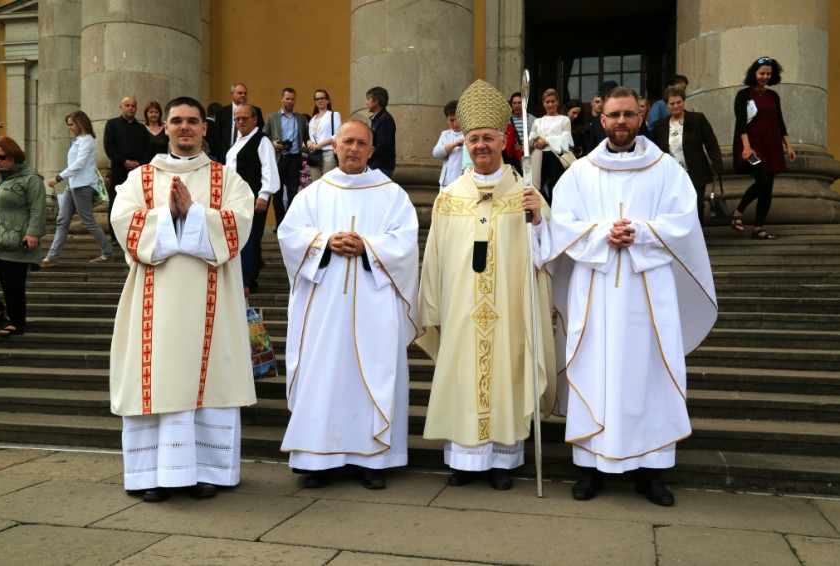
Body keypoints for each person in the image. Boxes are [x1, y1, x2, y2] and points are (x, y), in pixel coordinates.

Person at [539, 86, 717, 506]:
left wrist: (641, 232)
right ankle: (589, 469)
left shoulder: (666, 170)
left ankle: (651, 473)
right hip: (595, 291)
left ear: (641, 117)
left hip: (649, 291)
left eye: (629, 114)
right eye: (614, 115)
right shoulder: (579, 173)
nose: (621, 121)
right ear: (601, 120)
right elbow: (562, 224)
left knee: (650, 374)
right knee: (593, 369)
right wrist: (605, 233)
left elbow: (684, 223)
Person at [109, 96, 256, 502]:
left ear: (204, 128)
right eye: (177, 121)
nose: (184, 127)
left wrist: (192, 212)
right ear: (166, 127)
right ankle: (152, 475)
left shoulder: (227, 179)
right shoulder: (140, 179)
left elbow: (239, 226)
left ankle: (206, 471)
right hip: (153, 305)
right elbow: (124, 224)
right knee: (156, 378)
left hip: (213, 303)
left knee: (210, 381)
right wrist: (170, 216)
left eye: (193, 121)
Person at [417, 79, 556, 491]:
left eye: (488, 138)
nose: (481, 145)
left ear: (503, 140)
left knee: (508, 378)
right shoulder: (449, 197)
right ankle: (465, 461)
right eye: (473, 138)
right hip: (461, 311)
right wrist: (433, 310)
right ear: (465, 143)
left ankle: (503, 461)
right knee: (462, 380)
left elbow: (546, 256)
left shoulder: (525, 194)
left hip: (509, 311)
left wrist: (538, 220)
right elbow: (434, 259)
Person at [278, 120, 419, 490]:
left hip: (375, 307)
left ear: (371, 150)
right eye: (347, 142)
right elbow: (289, 235)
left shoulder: (392, 195)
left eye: (361, 143)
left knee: (374, 373)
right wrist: (324, 242)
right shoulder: (313, 194)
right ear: (335, 147)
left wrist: (366, 247)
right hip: (324, 308)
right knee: (322, 375)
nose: (354, 148)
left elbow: (406, 244)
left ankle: (373, 459)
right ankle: (317, 459)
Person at [730, 57, 796, 240]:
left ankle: (758, 228)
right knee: (764, 178)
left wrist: (788, 145)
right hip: (752, 146)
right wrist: (746, 147)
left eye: (768, 73)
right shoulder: (744, 95)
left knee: (767, 186)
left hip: (772, 145)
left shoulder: (773, 96)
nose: (765, 77)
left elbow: (780, 121)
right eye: (762, 73)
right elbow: (741, 122)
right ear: (754, 73)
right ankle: (738, 212)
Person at [0, 136, 45, 337]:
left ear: (14, 155)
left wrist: (33, 233)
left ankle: (16, 322)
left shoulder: (31, 178)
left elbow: (38, 208)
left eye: (2, 157)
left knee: (12, 284)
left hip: (15, 239)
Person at [43, 111, 115, 266]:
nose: (70, 128)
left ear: (80, 123)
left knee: (87, 220)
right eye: (68, 125)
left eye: (72, 124)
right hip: (73, 184)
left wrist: (59, 177)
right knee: (62, 220)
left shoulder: (87, 140)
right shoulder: (79, 140)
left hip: (83, 185)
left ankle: (107, 252)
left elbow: (79, 163)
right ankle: (52, 257)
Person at [225, 103, 279, 294]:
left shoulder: (262, 141)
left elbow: (269, 169)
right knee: (239, 237)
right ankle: (239, 277)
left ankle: (250, 280)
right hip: (234, 199)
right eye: (237, 119)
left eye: (245, 118)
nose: (241, 122)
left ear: (255, 119)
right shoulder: (237, 142)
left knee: (252, 238)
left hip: (253, 198)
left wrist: (264, 194)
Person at [652, 86, 723, 225]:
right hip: (671, 175)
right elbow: (656, 151)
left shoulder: (697, 119)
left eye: (679, 102)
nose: (676, 106)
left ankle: (697, 233)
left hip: (695, 171)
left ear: (683, 102)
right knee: (676, 207)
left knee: (697, 205)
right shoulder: (659, 126)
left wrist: (717, 163)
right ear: (667, 105)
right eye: (672, 103)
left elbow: (711, 142)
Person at [104, 96, 149, 245]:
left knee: (137, 202)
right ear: (121, 107)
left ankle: (135, 234)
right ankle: (115, 237)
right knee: (116, 202)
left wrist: (139, 163)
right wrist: (123, 161)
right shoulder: (112, 124)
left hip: (137, 171)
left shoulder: (142, 128)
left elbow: (147, 149)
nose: (130, 108)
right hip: (119, 170)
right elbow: (109, 146)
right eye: (127, 105)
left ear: (136, 108)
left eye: (133, 106)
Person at [263, 87, 308, 225]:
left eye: (292, 99)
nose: (290, 101)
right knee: (276, 194)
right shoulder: (272, 117)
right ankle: (280, 224)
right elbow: (263, 136)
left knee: (293, 194)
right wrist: (272, 143)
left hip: (294, 159)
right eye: (287, 99)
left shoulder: (300, 118)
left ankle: (290, 223)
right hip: (278, 159)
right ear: (281, 99)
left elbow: (306, 138)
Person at [529, 88, 573, 203]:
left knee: (555, 187)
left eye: (553, 101)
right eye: (547, 102)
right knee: (537, 186)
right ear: (543, 103)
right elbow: (531, 137)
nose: (550, 104)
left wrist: (547, 140)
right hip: (539, 156)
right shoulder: (537, 121)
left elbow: (566, 137)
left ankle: (555, 209)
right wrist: (535, 140)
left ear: (557, 102)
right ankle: (541, 210)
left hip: (556, 157)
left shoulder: (564, 119)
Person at [211, 83, 264, 162]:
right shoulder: (222, 112)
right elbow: (217, 136)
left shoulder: (255, 111)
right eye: (240, 93)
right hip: (225, 156)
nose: (243, 95)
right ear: (231, 94)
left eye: (245, 93)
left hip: (248, 155)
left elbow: (260, 131)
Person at [306, 89, 342, 181]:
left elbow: (338, 134)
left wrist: (321, 144)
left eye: (322, 98)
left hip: (328, 153)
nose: (320, 101)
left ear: (328, 100)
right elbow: (311, 136)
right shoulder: (313, 118)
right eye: (317, 99)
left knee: (328, 183)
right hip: (314, 154)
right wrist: (309, 142)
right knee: (316, 183)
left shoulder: (334, 115)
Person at [432, 100, 465, 188]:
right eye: (451, 120)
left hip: (463, 181)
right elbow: (436, 153)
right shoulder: (445, 134)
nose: (455, 124)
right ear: (447, 120)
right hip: (446, 182)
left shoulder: (469, 134)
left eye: (457, 119)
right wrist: (455, 144)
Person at [365, 86, 396, 178]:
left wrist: (367, 155)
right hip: (375, 166)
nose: (367, 103)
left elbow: (382, 145)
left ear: (376, 101)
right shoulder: (378, 119)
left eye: (368, 99)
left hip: (381, 167)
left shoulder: (385, 119)